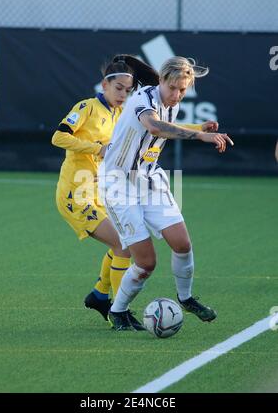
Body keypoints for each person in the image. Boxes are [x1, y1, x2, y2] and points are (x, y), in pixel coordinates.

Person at [98, 56, 234, 331]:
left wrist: (198, 128)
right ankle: (118, 311)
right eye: (172, 88)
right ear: (160, 81)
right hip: (118, 184)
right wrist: (200, 136)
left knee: (182, 244)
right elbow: (155, 126)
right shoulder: (142, 100)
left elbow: (165, 127)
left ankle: (185, 298)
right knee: (146, 262)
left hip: (150, 180)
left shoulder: (172, 101)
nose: (177, 94)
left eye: (182, 89)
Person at [51, 54, 159, 329]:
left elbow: (156, 126)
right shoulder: (86, 107)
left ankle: (100, 295)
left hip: (101, 194)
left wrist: (200, 131)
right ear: (104, 85)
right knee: (124, 244)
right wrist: (96, 148)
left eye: (128, 89)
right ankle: (118, 312)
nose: (123, 94)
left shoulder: (121, 113)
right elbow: (58, 136)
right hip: (76, 194)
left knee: (122, 242)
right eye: (119, 88)